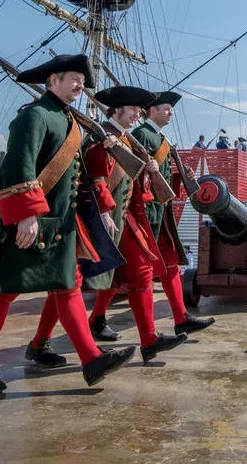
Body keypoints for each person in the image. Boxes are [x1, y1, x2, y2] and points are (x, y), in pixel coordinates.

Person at [0, 54, 134, 395]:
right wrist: (26, 213)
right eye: (74, 78)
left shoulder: (70, 121)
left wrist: (100, 210)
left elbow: (79, 176)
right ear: (52, 80)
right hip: (30, 223)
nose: (80, 85)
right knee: (3, 292)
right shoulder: (34, 117)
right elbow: (18, 166)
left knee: (68, 287)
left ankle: (91, 359)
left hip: (61, 225)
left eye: (82, 81)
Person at [76, 86, 187, 362]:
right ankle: (41, 340)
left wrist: (149, 173)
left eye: (139, 108)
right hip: (105, 219)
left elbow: (132, 182)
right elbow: (97, 177)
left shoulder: (123, 139)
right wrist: (104, 210)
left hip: (125, 218)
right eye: (134, 108)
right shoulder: (102, 137)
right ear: (118, 110)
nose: (138, 112)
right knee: (68, 284)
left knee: (142, 273)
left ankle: (149, 340)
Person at [94, 91, 213, 339]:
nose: (170, 113)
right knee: (130, 269)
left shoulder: (160, 139)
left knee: (169, 263)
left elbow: (162, 177)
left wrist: (182, 176)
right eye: (166, 109)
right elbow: (133, 176)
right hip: (144, 211)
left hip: (160, 210)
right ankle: (99, 318)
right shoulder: (141, 135)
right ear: (153, 111)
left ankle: (180, 318)